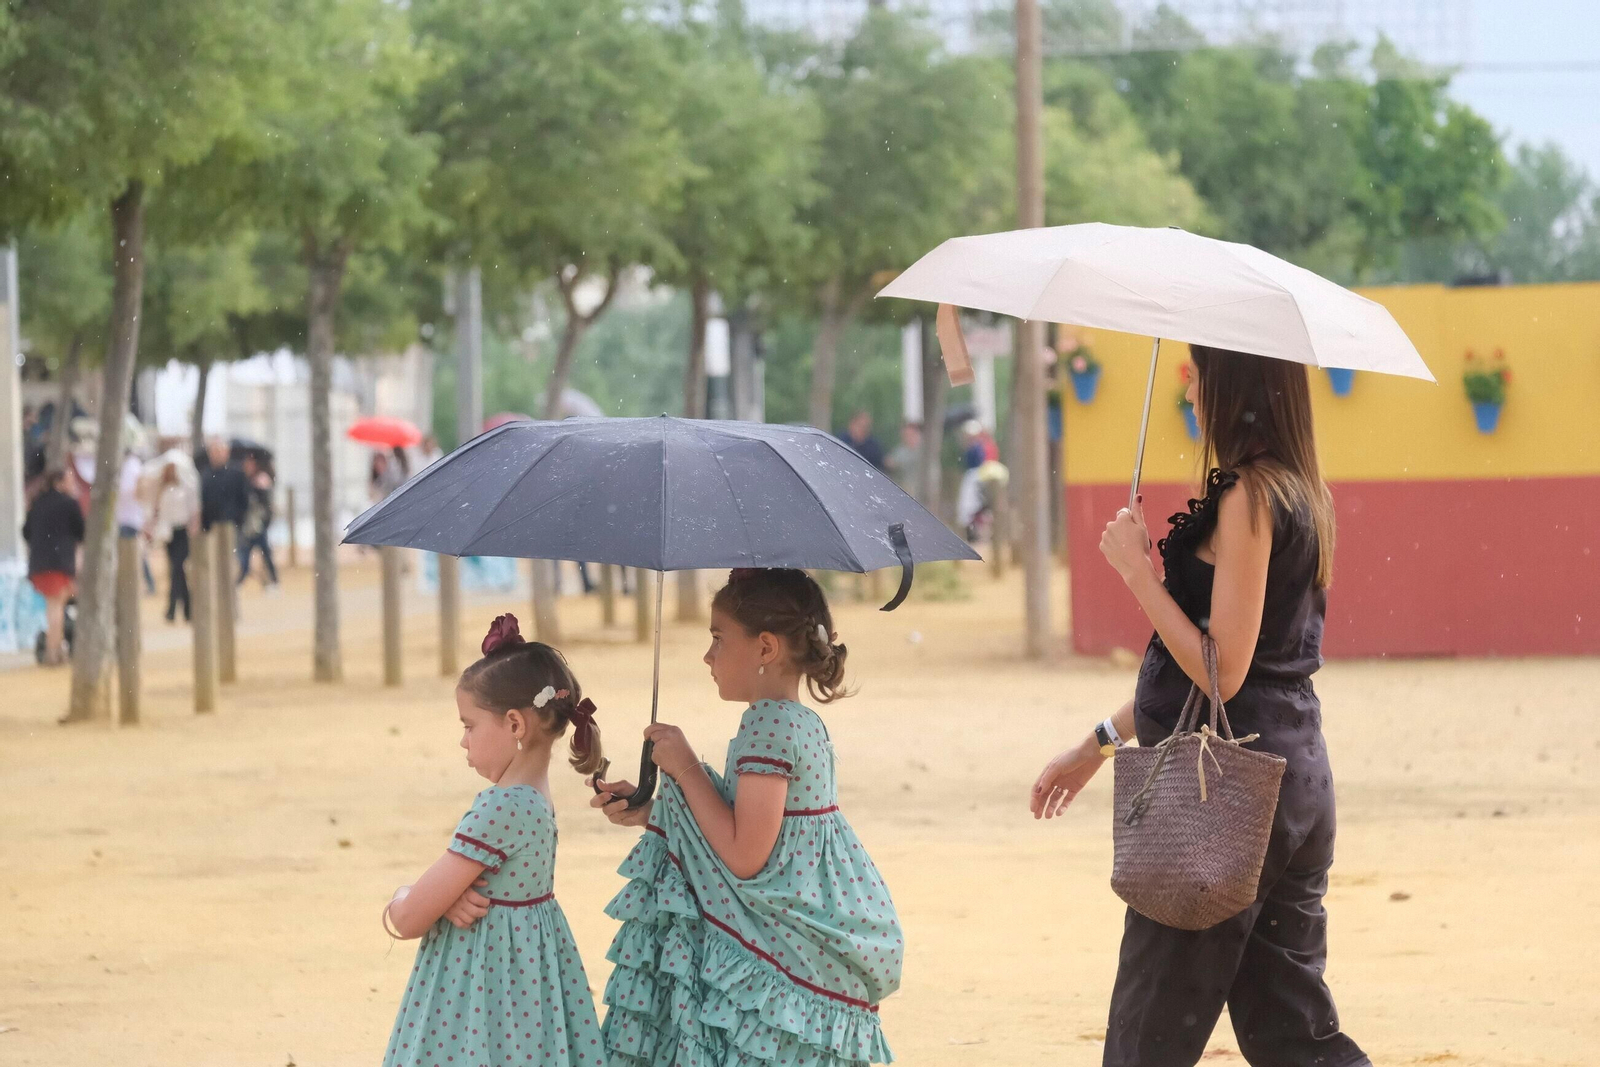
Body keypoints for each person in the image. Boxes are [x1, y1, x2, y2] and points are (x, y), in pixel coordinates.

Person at [1029, 344, 1367, 1067]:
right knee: (1293, 1033)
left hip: (1224, 794)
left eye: (1198, 376)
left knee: (1148, 1031)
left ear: (1234, 384)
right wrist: (1098, 742)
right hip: (1293, 779)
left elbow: (1223, 671)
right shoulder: (1303, 491)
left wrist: (1138, 575)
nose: (1190, 393)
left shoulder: (1249, 497)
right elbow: (1210, 676)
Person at [590, 568, 901, 1067]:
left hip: (780, 947)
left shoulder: (769, 724)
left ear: (766, 648)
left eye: (718, 638)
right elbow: (749, 826)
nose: (707, 656)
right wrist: (653, 809)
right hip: (807, 932)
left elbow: (745, 855)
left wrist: (686, 766)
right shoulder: (799, 719)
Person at [379, 614, 606, 1067]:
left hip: (481, 1004)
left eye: (469, 726)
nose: (463, 742)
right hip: (523, 1002)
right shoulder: (536, 799)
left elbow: (407, 919)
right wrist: (446, 899)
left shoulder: (500, 808)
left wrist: (404, 895)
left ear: (515, 724)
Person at [22, 468, 85, 665]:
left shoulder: (37, 502)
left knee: (55, 604)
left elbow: (26, 531)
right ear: (59, 482)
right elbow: (82, 531)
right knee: (56, 606)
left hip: (40, 563)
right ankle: (53, 650)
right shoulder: (69, 504)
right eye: (69, 480)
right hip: (60, 562)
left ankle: (56, 648)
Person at [147, 461, 200, 623]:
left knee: (178, 568)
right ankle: (187, 609)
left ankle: (172, 608)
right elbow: (156, 511)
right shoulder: (161, 490)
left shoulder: (185, 488)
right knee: (177, 571)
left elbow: (193, 509)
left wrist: (194, 526)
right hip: (168, 533)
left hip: (181, 531)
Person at [115, 449, 157, 596]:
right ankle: (146, 583)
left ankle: (140, 584)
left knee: (134, 554)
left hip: (130, 519)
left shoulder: (131, 467)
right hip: (130, 518)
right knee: (137, 554)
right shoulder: (133, 467)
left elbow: (129, 491)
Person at [236, 454, 279, 590]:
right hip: (247, 527)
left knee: (266, 555)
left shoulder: (261, 480)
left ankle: (273, 581)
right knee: (244, 558)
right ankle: (239, 582)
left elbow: (266, 504)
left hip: (259, 525)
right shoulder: (242, 481)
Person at [199, 437, 249, 534]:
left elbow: (243, 499)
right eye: (214, 452)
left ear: (227, 453)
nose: (217, 455)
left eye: (219, 451)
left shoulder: (236, 473)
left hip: (230, 523)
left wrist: (238, 519)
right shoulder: (205, 474)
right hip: (211, 524)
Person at [885, 421, 922, 493]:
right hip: (903, 487)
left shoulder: (924, 451)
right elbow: (889, 462)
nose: (908, 437)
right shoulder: (900, 450)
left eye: (911, 435)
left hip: (919, 488)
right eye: (906, 435)